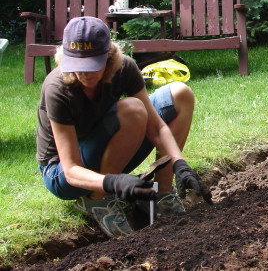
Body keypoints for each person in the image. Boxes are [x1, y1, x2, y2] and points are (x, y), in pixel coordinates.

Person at [36, 16, 212, 238]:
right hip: (62, 173)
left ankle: (163, 195)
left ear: (109, 58)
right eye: (76, 65)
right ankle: (97, 200)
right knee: (133, 110)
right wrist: (112, 182)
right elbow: (70, 170)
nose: (83, 74)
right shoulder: (57, 88)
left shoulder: (124, 67)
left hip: (105, 150)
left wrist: (180, 163)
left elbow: (155, 127)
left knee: (180, 94)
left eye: (91, 66)